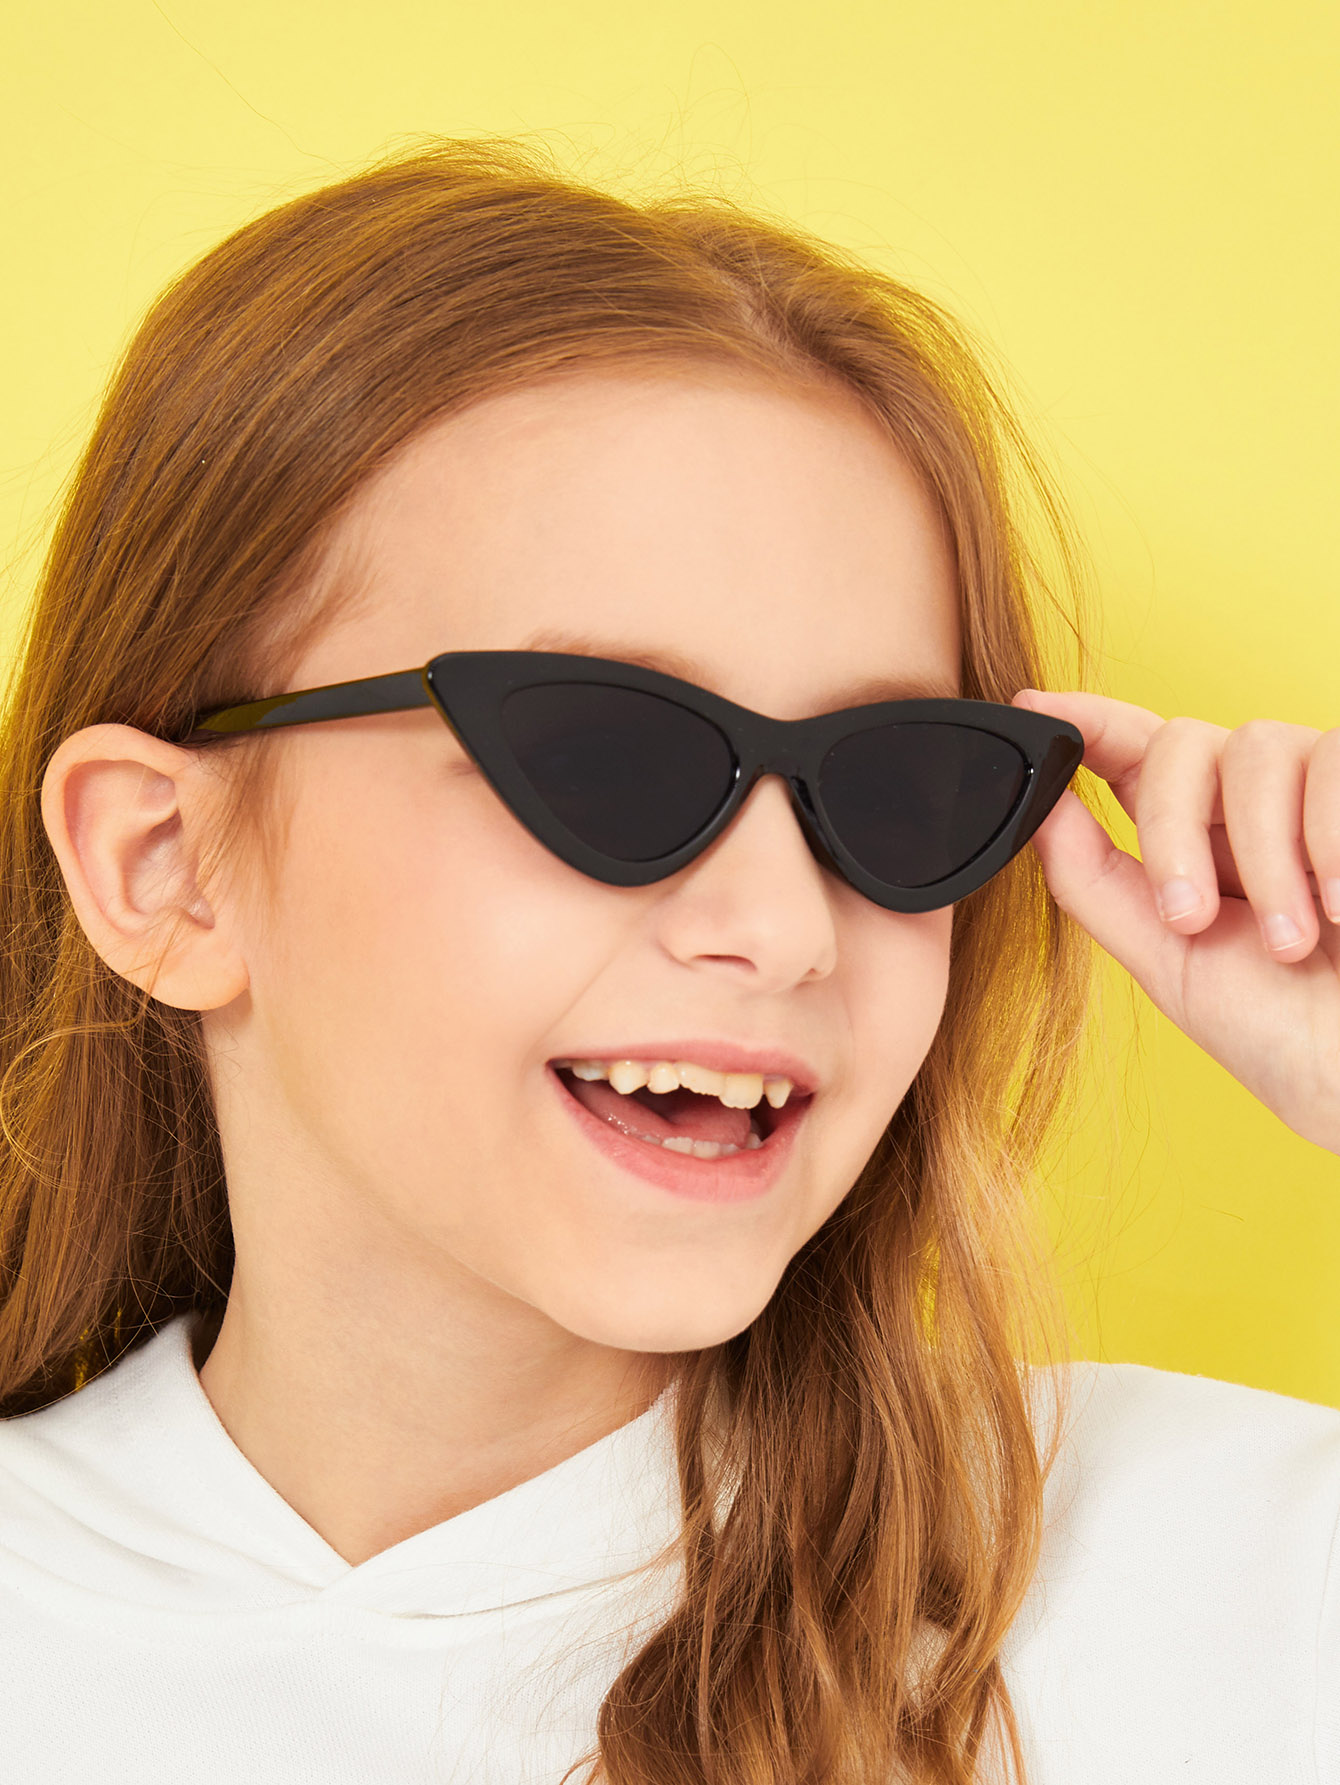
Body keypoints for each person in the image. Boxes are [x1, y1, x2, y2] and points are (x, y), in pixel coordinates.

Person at [0, 136, 1335, 1785]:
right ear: (165, 864)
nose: (783, 928)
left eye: (894, 781)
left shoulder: (1249, 1584)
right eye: (607, 756)